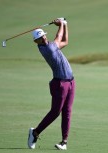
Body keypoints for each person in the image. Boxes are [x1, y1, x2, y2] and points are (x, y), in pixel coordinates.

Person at [28, 18, 75, 150]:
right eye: (39, 38)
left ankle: (64, 142)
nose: (42, 38)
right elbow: (59, 36)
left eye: (42, 36)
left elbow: (65, 41)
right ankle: (35, 132)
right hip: (59, 84)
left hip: (71, 82)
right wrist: (61, 24)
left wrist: (65, 25)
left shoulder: (52, 46)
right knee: (55, 112)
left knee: (67, 111)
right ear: (36, 42)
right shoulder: (47, 48)